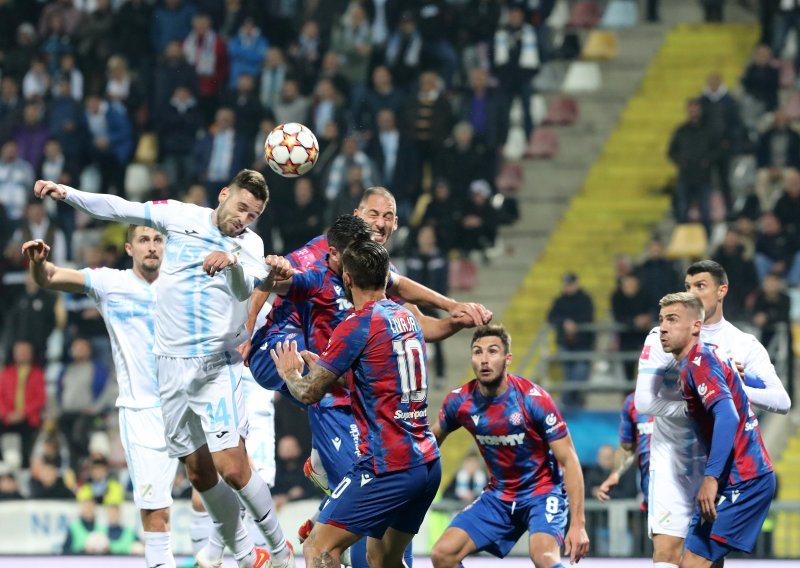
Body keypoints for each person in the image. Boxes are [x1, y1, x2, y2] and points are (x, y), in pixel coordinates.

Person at [34, 169, 295, 568]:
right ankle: (241, 554)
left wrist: (233, 263)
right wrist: (67, 194)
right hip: (169, 369)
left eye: (252, 214)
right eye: (241, 207)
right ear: (224, 195)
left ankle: (279, 549)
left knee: (233, 467)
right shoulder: (179, 216)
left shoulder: (250, 244)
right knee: (199, 475)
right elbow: (121, 207)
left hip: (214, 365)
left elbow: (248, 290)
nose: (243, 218)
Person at [270, 239, 442, 568]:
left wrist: (291, 373)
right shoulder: (406, 317)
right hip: (427, 463)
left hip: (387, 465)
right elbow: (377, 380)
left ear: (347, 279)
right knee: (381, 560)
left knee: (318, 549)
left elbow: (308, 393)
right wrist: (329, 367)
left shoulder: (357, 325)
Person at [24, 226, 179, 567]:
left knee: (220, 488)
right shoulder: (111, 283)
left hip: (191, 405)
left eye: (157, 240)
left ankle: (246, 554)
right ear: (129, 248)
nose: (152, 247)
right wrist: (38, 263)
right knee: (156, 513)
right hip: (142, 413)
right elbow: (49, 277)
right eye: (143, 240)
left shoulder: (183, 281)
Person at [635, 260, 790, 567]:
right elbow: (644, 401)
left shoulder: (742, 344)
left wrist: (730, 387)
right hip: (673, 461)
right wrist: (707, 401)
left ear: (722, 291)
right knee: (668, 555)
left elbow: (781, 400)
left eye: (700, 286)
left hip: (724, 464)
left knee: (702, 559)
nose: (692, 293)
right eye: (687, 286)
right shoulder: (663, 335)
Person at [429, 324, 590, 568]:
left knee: (544, 558)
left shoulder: (532, 399)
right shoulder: (460, 401)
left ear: (507, 359)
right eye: (477, 352)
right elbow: (430, 443)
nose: (484, 359)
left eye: (492, 351)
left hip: (542, 493)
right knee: (442, 555)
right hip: (499, 496)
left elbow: (569, 460)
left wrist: (578, 524)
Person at [657, 292, 776, 566]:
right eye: (662, 319)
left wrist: (710, 478)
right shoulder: (707, 357)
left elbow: (727, 415)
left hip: (745, 478)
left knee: (693, 563)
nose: (663, 327)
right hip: (732, 476)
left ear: (696, 326)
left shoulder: (699, 363)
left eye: (673, 320)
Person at [596, 392, 652, 510]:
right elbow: (627, 447)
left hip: (683, 488)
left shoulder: (681, 396)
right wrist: (615, 474)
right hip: (651, 495)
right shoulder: (632, 402)